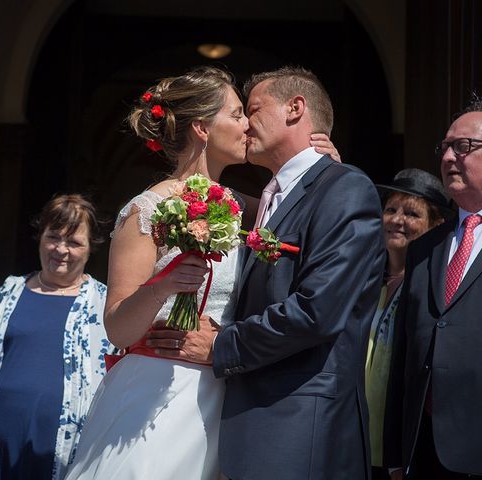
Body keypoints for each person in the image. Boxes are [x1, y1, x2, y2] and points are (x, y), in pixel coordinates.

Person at [65, 66, 340, 480]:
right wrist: (163, 285)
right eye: (235, 114)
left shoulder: (249, 208)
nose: (247, 124)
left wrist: (326, 173)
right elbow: (118, 328)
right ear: (201, 128)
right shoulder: (146, 209)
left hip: (226, 395)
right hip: (157, 393)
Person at [156, 66, 386, 480]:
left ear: (295, 108)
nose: (244, 124)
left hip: (300, 426)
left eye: (254, 109)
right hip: (239, 420)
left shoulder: (345, 188)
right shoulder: (263, 200)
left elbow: (318, 310)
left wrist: (222, 345)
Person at [0, 193, 116, 480]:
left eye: (73, 242)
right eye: (53, 237)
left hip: (67, 454)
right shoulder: (3, 298)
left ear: (90, 248)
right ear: (40, 237)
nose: (60, 249)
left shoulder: (107, 307)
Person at [384, 100, 482, 479]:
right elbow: (403, 354)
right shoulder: (426, 246)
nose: (448, 157)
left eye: (464, 147)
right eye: (445, 147)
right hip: (423, 447)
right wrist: (395, 449)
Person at [367, 168, 453, 479]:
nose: (397, 220)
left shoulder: (434, 292)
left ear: (437, 225)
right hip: (353, 438)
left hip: (399, 449)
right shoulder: (365, 281)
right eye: (390, 209)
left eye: (412, 213)